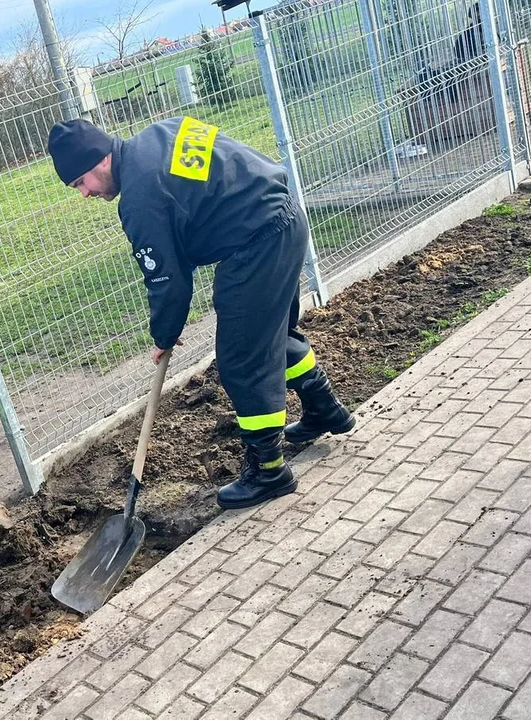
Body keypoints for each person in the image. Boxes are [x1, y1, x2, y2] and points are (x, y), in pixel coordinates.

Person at [47, 116, 355, 510]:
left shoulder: (140, 198)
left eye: (80, 183)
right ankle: (323, 407)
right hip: (285, 218)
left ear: (98, 161)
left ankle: (268, 470)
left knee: (242, 360)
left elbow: (167, 281)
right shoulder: (163, 132)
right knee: (272, 337)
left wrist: (164, 335)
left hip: (255, 244)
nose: (84, 194)